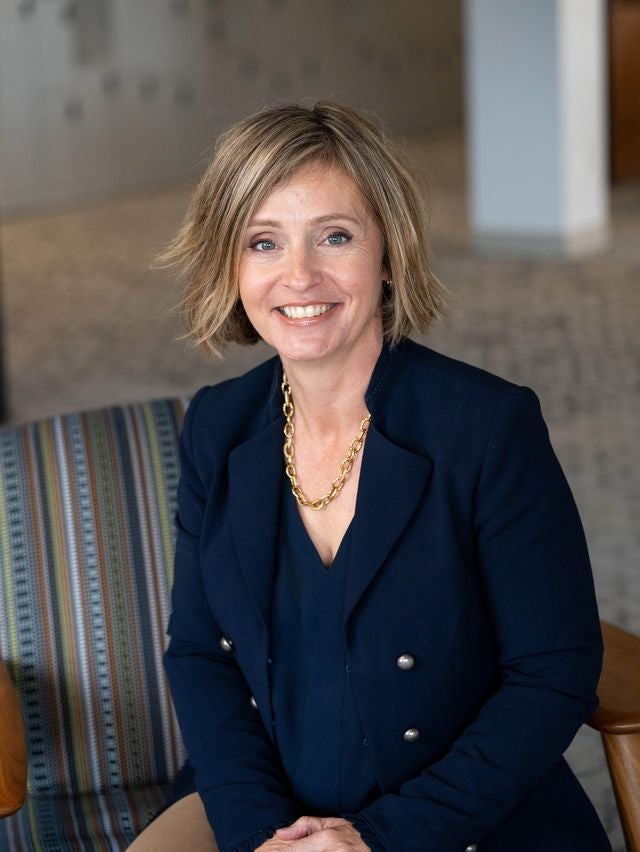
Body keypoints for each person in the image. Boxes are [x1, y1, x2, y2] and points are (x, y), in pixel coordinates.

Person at [129, 101, 612, 851]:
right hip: (265, 804)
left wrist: (380, 839)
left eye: (335, 236)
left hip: (457, 817)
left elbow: (553, 671)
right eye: (263, 242)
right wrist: (263, 831)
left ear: (388, 253)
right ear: (229, 264)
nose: (299, 276)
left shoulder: (486, 427)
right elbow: (197, 652)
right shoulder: (217, 429)